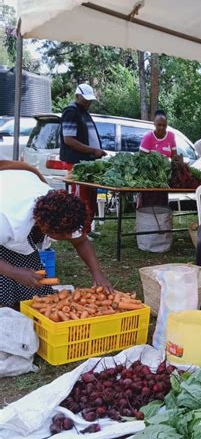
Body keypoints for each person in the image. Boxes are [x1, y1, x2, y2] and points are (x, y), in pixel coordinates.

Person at [0, 161, 112, 308]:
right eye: (65, 235)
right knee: (8, 278)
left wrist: (98, 274)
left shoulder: (61, 209)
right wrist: (14, 272)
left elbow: (81, 241)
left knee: (34, 284)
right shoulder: (7, 219)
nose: (69, 238)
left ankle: (22, 309)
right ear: (47, 228)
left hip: (18, 185)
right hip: (7, 202)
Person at [60, 83, 106, 229]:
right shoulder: (71, 112)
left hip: (88, 163)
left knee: (90, 197)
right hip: (78, 163)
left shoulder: (83, 112)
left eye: (90, 100)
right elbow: (69, 140)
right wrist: (93, 150)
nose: (88, 102)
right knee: (81, 198)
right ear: (77, 96)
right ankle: (79, 229)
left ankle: (87, 228)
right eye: (85, 99)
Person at [138, 110, 177, 208]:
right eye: (159, 125)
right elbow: (141, 159)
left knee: (162, 206)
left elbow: (174, 157)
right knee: (148, 206)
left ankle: (161, 222)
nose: (161, 128)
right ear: (154, 123)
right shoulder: (148, 137)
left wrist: (177, 165)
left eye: (164, 125)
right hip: (150, 180)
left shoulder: (171, 136)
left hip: (164, 180)